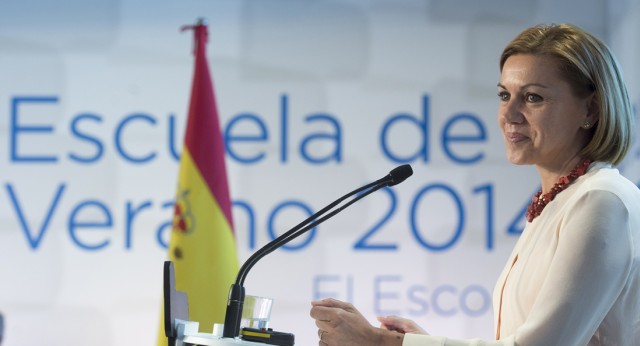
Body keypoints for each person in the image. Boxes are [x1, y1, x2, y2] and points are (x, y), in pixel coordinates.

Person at [310, 23, 640, 346]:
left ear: (591, 109)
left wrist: (387, 343)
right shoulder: (557, 202)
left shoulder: (601, 200)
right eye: (504, 95)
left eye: (533, 97)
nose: (509, 113)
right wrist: (416, 341)